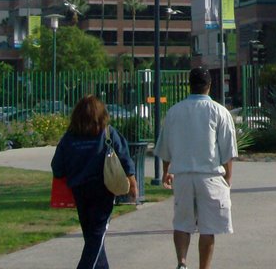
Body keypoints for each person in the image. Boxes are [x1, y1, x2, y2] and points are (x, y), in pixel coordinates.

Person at [154, 67, 238, 269]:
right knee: (208, 228)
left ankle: (182, 261)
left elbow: (166, 147)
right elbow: (227, 150)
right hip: (210, 175)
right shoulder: (219, 112)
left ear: (189, 86)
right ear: (209, 86)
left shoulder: (174, 112)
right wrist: (228, 178)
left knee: (182, 223)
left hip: (182, 175)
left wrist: (166, 172)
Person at [51, 95, 139, 269]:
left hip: (80, 191)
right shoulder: (107, 133)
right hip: (103, 190)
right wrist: (133, 184)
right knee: (96, 238)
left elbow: (57, 167)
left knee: (92, 236)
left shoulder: (69, 138)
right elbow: (125, 159)